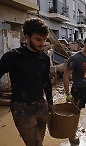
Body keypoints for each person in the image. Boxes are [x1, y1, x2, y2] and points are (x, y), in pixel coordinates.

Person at [0, 18, 54, 146]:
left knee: (39, 140)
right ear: (27, 37)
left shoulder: (44, 58)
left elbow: (46, 81)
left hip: (41, 105)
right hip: (22, 108)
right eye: (38, 39)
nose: (42, 43)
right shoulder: (13, 56)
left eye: (44, 39)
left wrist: (50, 103)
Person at [63, 36, 86, 144]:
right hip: (78, 91)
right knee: (74, 116)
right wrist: (67, 94)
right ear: (85, 45)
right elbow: (66, 76)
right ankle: (72, 137)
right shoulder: (74, 59)